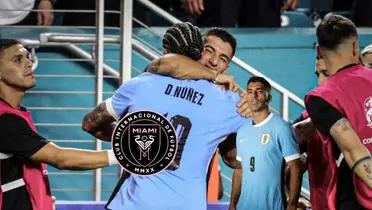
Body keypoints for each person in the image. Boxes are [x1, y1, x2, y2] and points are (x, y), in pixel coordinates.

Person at [82, 23, 248, 210]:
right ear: (198, 49)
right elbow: (235, 159)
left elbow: (90, 123)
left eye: (223, 58)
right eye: (210, 50)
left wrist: (133, 143)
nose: (214, 61)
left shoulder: (143, 83)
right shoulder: (230, 104)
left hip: (130, 203)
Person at [0, 39, 118, 210]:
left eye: (27, 56)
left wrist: (41, 201)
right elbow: (60, 158)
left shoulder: (14, 113)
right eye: (17, 60)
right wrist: (123, 155)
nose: (28, 63)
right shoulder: (5, 121)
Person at [305, 15, 372, 209]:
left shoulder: (319, 98)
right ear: (355, 46)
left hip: (357, 197)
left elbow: (353, 150)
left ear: (319, 51)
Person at [229, 76, 301, 210]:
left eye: (259, 91)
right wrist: (233, 203)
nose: (254, 96)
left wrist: (292, 204)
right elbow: (239, 170)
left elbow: (295, 167)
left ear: (268, 97)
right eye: (250, 92)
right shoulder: (242, 131)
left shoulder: (282, 127)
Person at [292, 56, 330, 210]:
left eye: (326, 74)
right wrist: (293, 199)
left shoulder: (362, 114)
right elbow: (288, 162)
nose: (320, 82)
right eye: (318, 74)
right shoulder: (307, 119)